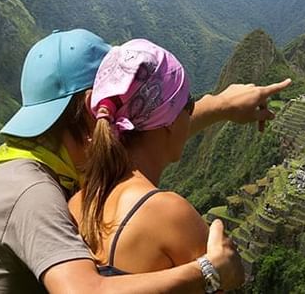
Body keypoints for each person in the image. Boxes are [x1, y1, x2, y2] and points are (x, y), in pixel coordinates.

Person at [0, 29, 291, 293]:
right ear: (92, 107)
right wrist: (209, 271)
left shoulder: (70, 181)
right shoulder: (32, 193)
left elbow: (143, 135)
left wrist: (222, 105)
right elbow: (83, 292)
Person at [67, 39, 230, 287]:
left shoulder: (78, 204)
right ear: (168, 121)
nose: (191, 111)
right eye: (188, 102)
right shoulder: (170, 216)